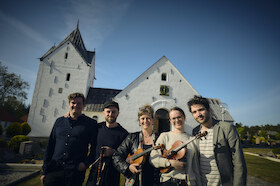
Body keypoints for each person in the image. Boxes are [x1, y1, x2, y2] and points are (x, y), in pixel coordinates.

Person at [187, 95, 247, 186]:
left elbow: (238, 160)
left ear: (209, 110)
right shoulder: (195, 131)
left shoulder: (226, 128)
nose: (198, 114)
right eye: (194, 112)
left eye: (201, 110)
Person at [40, 92, 97, 186]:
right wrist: (44, 171)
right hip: (54, 169)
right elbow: (50, 145)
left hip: (75, 171)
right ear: (69, 104)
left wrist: (85, 164)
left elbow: (94, 147)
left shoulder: (90, 124)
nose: (75, 105)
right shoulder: (59, 121)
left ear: (83, 105)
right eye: (73, 103)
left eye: (79, 103)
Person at [150, 107, 201, 186]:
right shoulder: (164, 136)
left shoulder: (192, 139)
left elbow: (196, 166)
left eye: (179, 117)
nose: (177, 120)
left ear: (184, 117)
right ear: (170, 121)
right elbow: (153, 159)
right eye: (173, 118)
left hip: (189, 183)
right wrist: (169, 163)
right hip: (169, 181)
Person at [113, 104, 160, 186]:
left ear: (152, 120)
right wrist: (127, 167)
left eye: (148, 118)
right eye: (142, 118)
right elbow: (116, 156)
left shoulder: (159, 138)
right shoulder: (132, 137)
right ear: (139, 120)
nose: (145, 121)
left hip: (155, 181)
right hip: (135, 181)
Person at [86, 101, 128, 186]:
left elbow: (126, 157)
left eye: (114, 112)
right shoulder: (97, 128)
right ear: (103, 113)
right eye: (108, 111)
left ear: (118, 114)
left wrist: (113, 152)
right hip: (94, 173)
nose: (110, 114)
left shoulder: (124, 134)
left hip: (112, 176)